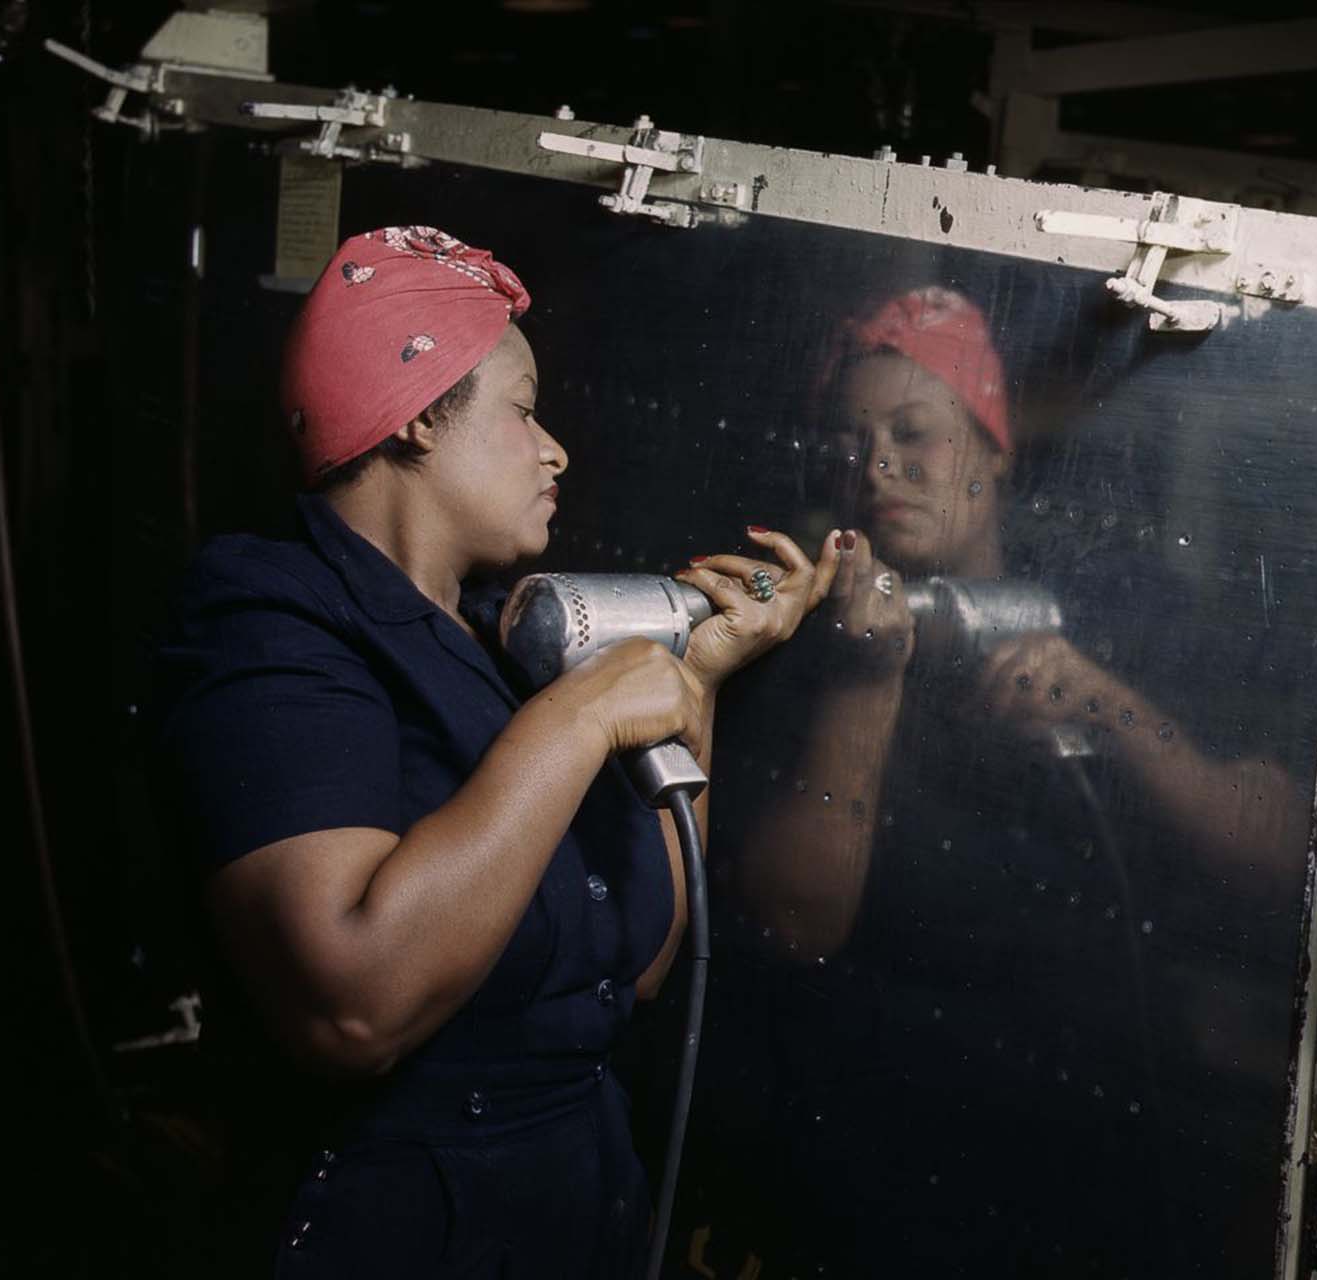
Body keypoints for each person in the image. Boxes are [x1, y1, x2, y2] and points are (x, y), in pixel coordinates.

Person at [150, 225, 840, 1278]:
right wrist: (576, 719)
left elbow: (641, 967)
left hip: (574, 1195)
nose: (554, 447)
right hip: (394, 1227)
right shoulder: (269, 620)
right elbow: (350, 1004)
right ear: (421, 414)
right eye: (522, 410)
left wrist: (693, 676)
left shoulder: (494, 640)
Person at [700, 285, 1301, 1273]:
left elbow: (1282, 861)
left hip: (1105, 1148)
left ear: (992, 446)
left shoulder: (1121, 599)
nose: (879, 465)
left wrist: (1112, 709)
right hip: (877, 1164)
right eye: (850, 442)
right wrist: (866, 675)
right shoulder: (795, 641)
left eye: (914, 432)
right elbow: (790, 921)